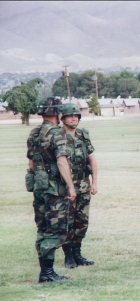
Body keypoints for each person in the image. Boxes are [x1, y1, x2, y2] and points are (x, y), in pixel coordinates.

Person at [26, 97, 76, 283]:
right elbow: (62, 161)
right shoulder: (57, 134)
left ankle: (45, 271)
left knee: (43, 228)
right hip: (55, 189)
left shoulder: (34, 133)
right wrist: (71, 186)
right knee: (55, 230)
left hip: (39, 187)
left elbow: (31, 163)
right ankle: (47, 273)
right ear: (58, 113)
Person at [59, 103, 98, 269]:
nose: (74, 118)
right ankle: (68, 256)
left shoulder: (83, 135)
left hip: (83, 183)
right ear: (63, 118)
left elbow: (92, 159)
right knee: (68, 220)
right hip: (66, 186)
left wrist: (95, 181)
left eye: (77, 116)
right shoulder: (58, 136)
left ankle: (77, 253)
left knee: (82, 222)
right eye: (70, 116)